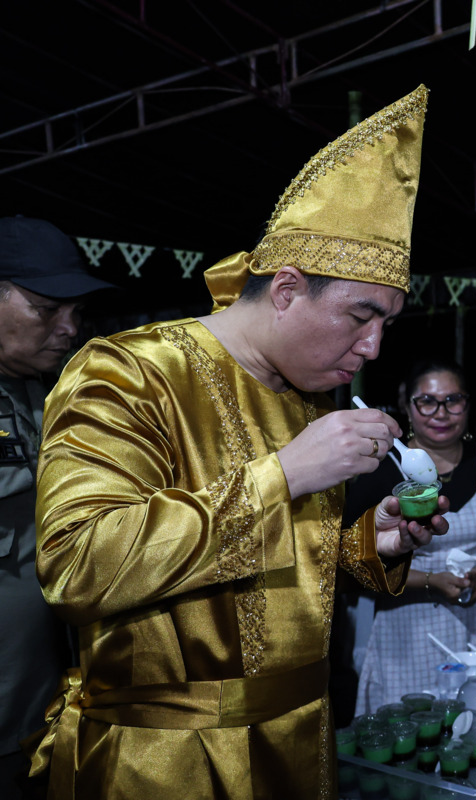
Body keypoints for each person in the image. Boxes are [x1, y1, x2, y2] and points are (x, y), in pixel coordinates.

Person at [29, 86, 448, 800]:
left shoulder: (310, 393)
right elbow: (76, 564)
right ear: (285, 289)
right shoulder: (126, 372)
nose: (373, 347)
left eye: (386, 324)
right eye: (358, 315)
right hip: (164, 763)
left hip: (299, 749)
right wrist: (283, 474)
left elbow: (279, 592)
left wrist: (366, 546)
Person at [343, 359, 476, 710]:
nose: (441, 413)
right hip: (407, 631)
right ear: (408, 406)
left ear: (467, 404)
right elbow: (350, 560)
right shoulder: (380, 474)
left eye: (453, 400)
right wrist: (430, 580)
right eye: (427, 401)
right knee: (411, 733)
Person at [1, 216, 116, 798]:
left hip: (46, 703)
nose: (69, 328)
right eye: (47, 309)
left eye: (76, 313)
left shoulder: (49, 392)